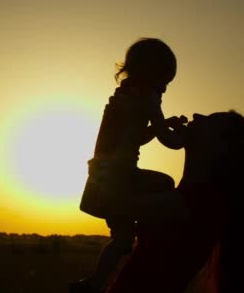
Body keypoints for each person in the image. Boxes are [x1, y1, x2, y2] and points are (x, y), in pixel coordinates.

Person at [71, 38, 187, 293]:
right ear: (151, 73)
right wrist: (184, 137)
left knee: (123, 239)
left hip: (101, 176)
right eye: (164, 81)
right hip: (120, 177)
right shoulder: (147, 97)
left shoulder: (122, 97)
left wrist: (162, 124)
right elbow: (169, 141)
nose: (165, 89)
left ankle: (93, 284)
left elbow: (134, 137)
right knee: (166, 186)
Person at [108, 111, 244, 293]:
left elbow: (105, 202)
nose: (197, 115)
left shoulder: (198, 202)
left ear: (223, 147)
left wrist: (130, 138)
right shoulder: (189, 196)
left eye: (210, 120)